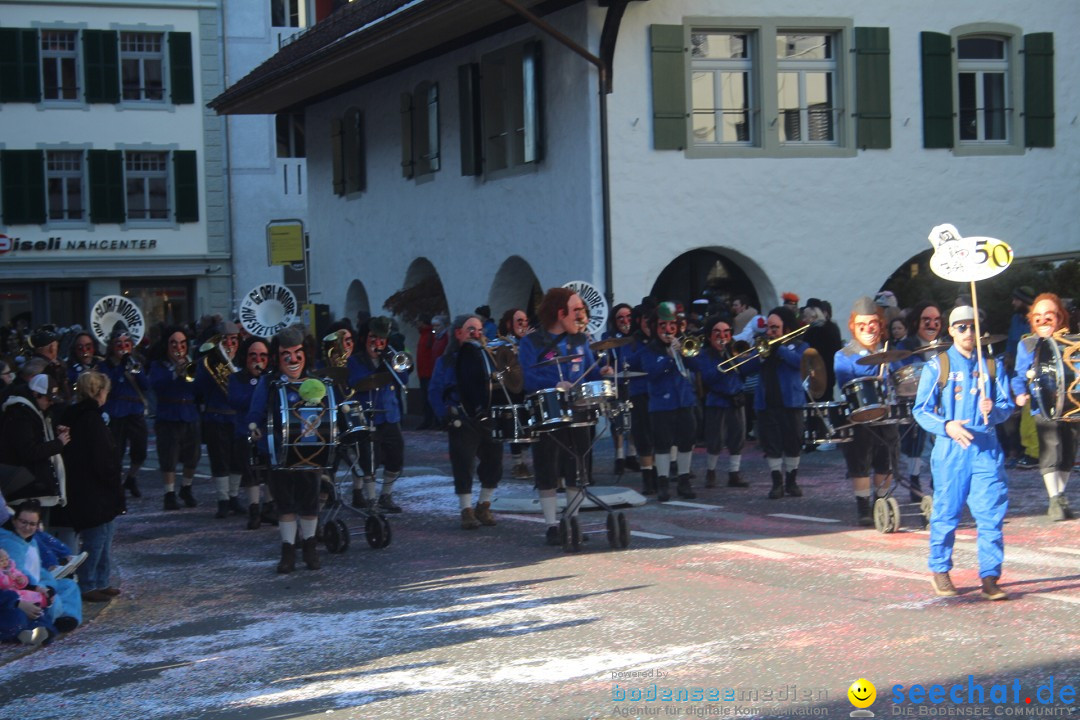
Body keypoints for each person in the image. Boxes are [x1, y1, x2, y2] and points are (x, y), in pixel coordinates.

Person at [913, 306, 1013, 600]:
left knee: (991, 514)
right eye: (961, 327)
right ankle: (940, 569)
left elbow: (1007, 406)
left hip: (986, 450)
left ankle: (990, 576)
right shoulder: (938, 365)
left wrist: (993, 411)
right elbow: (920, 410)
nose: (968, 332)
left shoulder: (992, 366)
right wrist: (947, 426)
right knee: (946, 512)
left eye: (973, 327)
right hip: (952, 450)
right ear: (951, 330)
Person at [519, 287, 611, 545]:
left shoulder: (581, 341)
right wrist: (555, 383)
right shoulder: (531, 342)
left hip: (580, 410)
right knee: (547, 466)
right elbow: (527, 377)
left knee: (578, 466)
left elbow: (589, 374)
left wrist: (602, 373)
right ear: (561, 313)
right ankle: (551, 525)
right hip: (548, 410)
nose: (582, 316)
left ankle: (572, 521)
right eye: (577, 310)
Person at [247, 326, 324, 573]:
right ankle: (288, 551)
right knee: (285, 504)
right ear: (277, 357)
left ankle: (310, 548)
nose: (292, 360)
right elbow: (255, 412)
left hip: (309, 451)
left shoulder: (315, 382)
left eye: (297, 353)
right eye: (285, 354)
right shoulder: (268, 383)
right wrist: (254, 427)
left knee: (310, 502)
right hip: (278, 451)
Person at [429, 315, 505, 529]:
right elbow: (435, 390)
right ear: (458, 333)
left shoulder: (488, 358)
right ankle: (466, 510)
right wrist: (444, 414)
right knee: (463, 464)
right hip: (460, 417)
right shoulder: (445, 362)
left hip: (486, 416)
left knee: (494, 461)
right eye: (471, 329)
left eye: (480, 330)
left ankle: (484, 504)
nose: (477, 334)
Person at [833, 297, 902, 525]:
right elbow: (846, 380)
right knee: (860, 461)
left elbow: (902, 377)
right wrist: (876, 362)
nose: (868, 329)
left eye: (873, 323)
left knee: (886, 459)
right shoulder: (844, 355)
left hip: (887, 413)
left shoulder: (889, 352)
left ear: (880, 325)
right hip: (859, 415)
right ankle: (863, 507)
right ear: (854, 326)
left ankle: (881, 502)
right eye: (862, 325)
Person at [58, 372, 123, 603]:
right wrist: (111, 474)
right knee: (97, 536)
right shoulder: (90, 418)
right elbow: (101, 456)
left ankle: (100, 580)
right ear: (98, 392)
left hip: (88, 485)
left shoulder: (80, 415)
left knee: (104, 534)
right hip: (93, 487)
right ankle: (89, 583)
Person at [1012, 293, 1076, 521]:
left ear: (1060, 317)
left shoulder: (1071, 342)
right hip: (1043, 404)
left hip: (1071, 405)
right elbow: (1019, 375)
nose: (1043, 322)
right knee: (1052, 446)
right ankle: (1054, 498)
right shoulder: (1027, 344)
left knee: (1068, 451)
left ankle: (1059, 496)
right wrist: (1020, 393)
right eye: (1037, 318)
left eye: (1048, 316)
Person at [743, 307, 808, 499]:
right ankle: (776, 483)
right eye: (769, 328)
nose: (770, 332)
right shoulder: (762, 346)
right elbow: (744, 368)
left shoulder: (799, 345)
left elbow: (800, 362)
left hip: (791, 402)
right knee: (772, 444)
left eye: (775, 328)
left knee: (793, 443)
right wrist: (760, 355)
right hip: (767, 403)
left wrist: (778, 348)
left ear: (786, 329)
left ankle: (792, 481)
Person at [347, 316, 409, 512]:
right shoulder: (356, 360)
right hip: (368, 416)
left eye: (382, 339)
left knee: (396, 456)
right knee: (368, 459)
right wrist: (381, 370)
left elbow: (404, 377)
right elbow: (357, 381)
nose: (377, 343)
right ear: (365, 338)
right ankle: (371, 499)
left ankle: (386, 495)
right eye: (373, 338)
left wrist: (390, 362)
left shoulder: (390, 357)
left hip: (390, 415)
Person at [638, 302, 699, 501]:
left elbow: (697, 365)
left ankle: (684, 480)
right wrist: (669, 358)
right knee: (662, 445)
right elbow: (652, 373)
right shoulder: (649, 350)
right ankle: (662, 483)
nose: (668, 330)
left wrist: (682, 352)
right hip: (661, 403)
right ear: (656, 328)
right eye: (663, 326)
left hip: (684, 401)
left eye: (672, 325)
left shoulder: (681, 344)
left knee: (686, 442)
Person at [0, 500, 81, 633]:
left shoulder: (28, 539)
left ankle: (65, 618)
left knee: (69, 586)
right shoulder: (10, 543)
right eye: (23, 522)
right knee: (53, 601)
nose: (27, 527)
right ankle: (54, 619)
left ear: (37, 526)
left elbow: (37, 568)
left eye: (32, 524)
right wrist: (43, 588)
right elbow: (19, 573)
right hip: (24, 588)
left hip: (38, 582)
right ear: (14, 520)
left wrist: (50, 583)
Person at [193, 322, 245, 519]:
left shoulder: (242, 362)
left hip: (237, 418)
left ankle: (234, 497)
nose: (230, 344)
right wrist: (210, 371)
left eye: (234, 340)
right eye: (226, 340)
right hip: (216, 416)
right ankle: (223, 500)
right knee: (219, 459)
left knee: (237, 460)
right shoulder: (207, 364)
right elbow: (198, 390)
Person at [690, 316, 747, 489]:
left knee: (738, 437)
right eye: (717, 332)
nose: (722, 336)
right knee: (715, 439)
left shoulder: (735, 351)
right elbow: (708, 376)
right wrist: (725, 363)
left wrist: (748, 358)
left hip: (736, 399)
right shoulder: (704, 355)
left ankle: (734, 473)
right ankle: (711, 472)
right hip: (717, 400)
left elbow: (748, 370)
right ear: (709, 336)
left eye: (726, 332)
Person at [149, 327, 201, 510]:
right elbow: (155, 385)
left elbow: (196, 388)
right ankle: (169, 493)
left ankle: (186, 487)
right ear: (167, 345)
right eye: (174, 343)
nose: (178, 347)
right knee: (168, 455)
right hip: (168, 414)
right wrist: (174, 373)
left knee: (193, 455)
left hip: (188, 413)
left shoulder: (191, 363)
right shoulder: (158, 365)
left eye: (182, 343)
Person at [0, 374, 70, 510]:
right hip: (28, 489)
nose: (50, 403)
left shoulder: (33, 412)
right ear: (35, 394)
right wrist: (58, 443)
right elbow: (29, 451)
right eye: (48, 399)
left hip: (33, 487)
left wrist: (54, 435)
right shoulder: (21, 415)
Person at [99, 326, 150, 499]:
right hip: (115, 413)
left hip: (134, 411)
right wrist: (120, 367)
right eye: (118, 343)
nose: (123, 346)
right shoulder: (105, 365)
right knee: (116, 452)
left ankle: (131, 478)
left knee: (140, 450)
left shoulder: (135, 362)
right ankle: (115, 485)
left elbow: (145, 385)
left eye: (126, 343)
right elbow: (108, 385)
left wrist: (133, 368)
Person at [229, 336, 273, 529]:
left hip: (268, 431)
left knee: (272, 469)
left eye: (263, 356)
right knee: (250, 471)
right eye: (253, 355)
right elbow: (236, 401)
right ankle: (254, 509)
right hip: (244, 430)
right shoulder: (236, 378)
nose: (258, 360)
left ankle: (269, 507)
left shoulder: (271, 378)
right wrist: (258, 389)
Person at [602, 303, 637, 476]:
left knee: (634, 419)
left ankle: (631, 455)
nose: (625, 320)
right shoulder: (608, 337)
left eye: (628, 316)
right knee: (617, 420)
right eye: (620, 317)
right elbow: (603, 359)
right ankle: (619, 457)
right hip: (616, 383)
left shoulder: (636, 336)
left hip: (634, 381)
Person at [496, 308, 532, 479]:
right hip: (513, 390)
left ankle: (526, 459)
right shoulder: (504, 344)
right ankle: (518, 463)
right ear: (510, 324)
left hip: (530, 386)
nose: (524, 325)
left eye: (525, 321)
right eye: (519, 321)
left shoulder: (530, 341)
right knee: (516, 425)